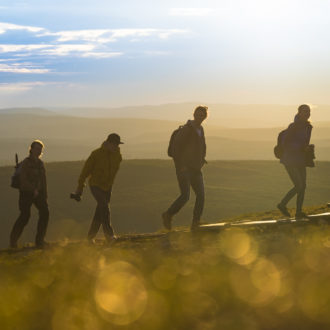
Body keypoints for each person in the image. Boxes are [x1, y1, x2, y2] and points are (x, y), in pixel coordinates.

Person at [162, 105, 208, 230]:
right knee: (185, 196)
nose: (200, 116)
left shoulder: (200, 129)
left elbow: (201, 146)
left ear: (205, 117)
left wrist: (202, 159)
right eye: (198, 114)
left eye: (202, 115)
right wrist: (181, 166)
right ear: (194, 114)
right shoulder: (186, 130)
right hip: (185, 169)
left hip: (196, 168)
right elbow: (176, 149)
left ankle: (195, 223)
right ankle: (168, 215)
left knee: (201, 196)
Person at [74, 133, 123, 244]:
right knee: (104, 207)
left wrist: (109, 184)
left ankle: (90, 238)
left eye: (117, 145)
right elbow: (85, 171)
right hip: (95, 185)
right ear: (108, 143)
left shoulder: (118, 156)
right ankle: (109, 236)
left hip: (108, 187)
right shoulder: (96, 154)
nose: (117, 147)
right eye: (115, 144)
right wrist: (80, 186)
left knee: (100, 211)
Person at [10, 140, 49, 249]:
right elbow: (23, 180)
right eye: (37, 148)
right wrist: (33, 190)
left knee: (45, 213)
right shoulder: (26, 163)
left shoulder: (40, 164)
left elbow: (43, 181)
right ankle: (13, 242)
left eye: (40, 149)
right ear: (31, 149)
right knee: (25, 216)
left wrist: (44, 195)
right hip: (26, 193)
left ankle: (40, 241)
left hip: (38, 193)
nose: (39, 151)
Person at [277, 104, 313, 220]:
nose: (307, 113)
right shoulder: (293, 126)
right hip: (290, 160)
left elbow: (303, 143)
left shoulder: (308, 127)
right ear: (299, 113)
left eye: (308, 111)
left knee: (303, 186)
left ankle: (298, 212)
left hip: (301, 160)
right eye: (304, 111)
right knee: (299, 186)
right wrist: (301, 147)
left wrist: (307, 149)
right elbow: (285, 144)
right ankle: (282, 205)